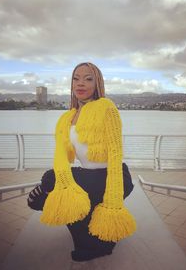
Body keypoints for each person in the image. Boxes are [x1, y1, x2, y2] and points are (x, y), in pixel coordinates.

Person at [27, 62, 137, 263]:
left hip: (111, 175)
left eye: (88, 79)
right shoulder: (67, 117)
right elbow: (62, 155)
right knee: (57, 183)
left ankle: (99, 239)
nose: (80, 83)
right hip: (89, 176)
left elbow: (115, 153)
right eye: (76, 78)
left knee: (50, 181)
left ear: (98, 83)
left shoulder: (106, 108)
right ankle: (89, 240)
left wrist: (113, 199)